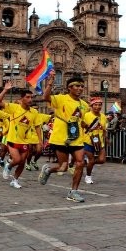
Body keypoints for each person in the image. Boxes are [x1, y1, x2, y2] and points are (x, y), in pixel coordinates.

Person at [38, 73, 89, 202]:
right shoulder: (61, 99)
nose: (80, 88)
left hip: (76, 138)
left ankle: (74, 192)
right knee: (63, 167)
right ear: (69, 88)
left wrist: (85, 125)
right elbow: (45, 97)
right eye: (77, 86)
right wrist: (50, 82)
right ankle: (49, 170)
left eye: (82, 86)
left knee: (80, 163)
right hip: (61, 138)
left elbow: (80, 120)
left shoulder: (84, 105)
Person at [0, 81, 42, 189]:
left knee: (22, 162)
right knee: (16, 160)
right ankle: (9, 165)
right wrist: (5, 90)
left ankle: (15, 180)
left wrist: (40, 142)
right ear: (22, 99)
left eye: (31, 97)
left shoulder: (34, 112)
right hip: (12, 139)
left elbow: (37, 127)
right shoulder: (14, 108)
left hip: (25, 141)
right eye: (27, 97)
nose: (30, 99)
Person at [83, 97, 108, 184]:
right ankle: (88, 176)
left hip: (99, 141)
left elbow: (104, 129)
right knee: (91, 160)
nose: (97, 107)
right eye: (95, 105)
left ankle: (89, 163)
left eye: (99, 105)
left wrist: (106, 138)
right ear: (91, 106)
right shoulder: (86, 115)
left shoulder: (103, 117)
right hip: (88, 141)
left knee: (102, 160)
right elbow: (82, 126)